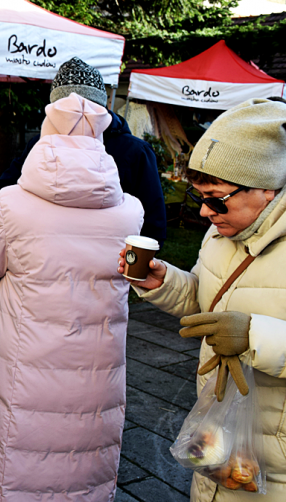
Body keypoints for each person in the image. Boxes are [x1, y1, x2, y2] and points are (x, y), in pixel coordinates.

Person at [0, 93, 143, 501]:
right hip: (98, 365)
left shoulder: (12, 206)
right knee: (85, 452)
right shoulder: (130, 212)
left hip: (26, 361)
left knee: (17, 455)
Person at [122, 98, 286, 501]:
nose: (207, 213)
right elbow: (205, 307)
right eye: (200, 199)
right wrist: (164, 281)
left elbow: (240, 331)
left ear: (267, 186)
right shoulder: (221, 232)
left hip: (276, 465)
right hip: (221, 444)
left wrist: (253, 335)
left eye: (217, 198)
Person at [0, 57, 167, 247]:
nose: (78, 117)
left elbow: (152, 228)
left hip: (95, 263)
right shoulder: (39, 143)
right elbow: (2, 193)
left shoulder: (135, 152)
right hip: (53, 257)